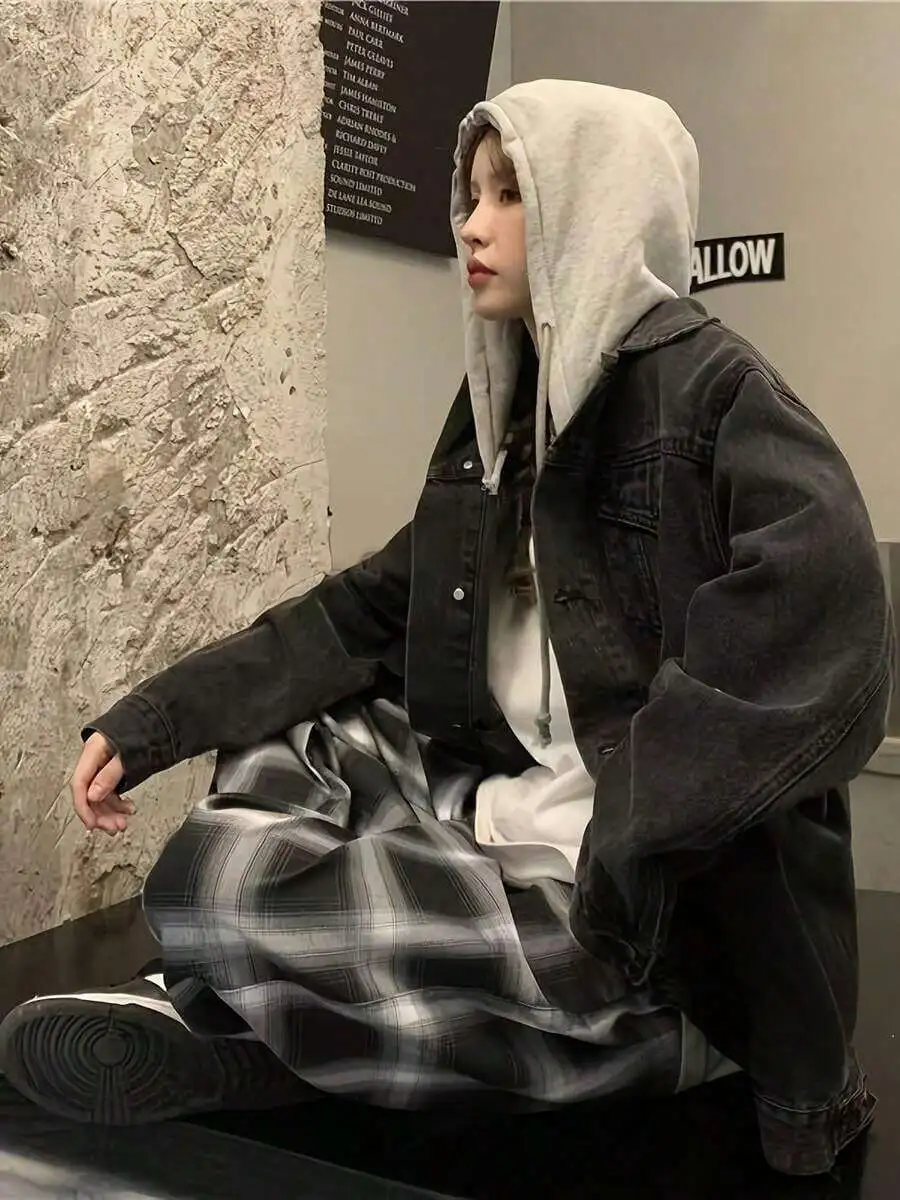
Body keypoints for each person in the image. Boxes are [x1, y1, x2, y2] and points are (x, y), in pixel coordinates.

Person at [0, 80, 892, 1177]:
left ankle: (233, 1018)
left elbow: (827, 623)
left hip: (634, 925)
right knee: (286, 757)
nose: (472, 224)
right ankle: (341, 1019)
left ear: (600, 207)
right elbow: (362, 612)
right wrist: (151, 723)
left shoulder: (718, 397)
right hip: (494, 829)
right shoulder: (500, 422)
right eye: (472, 195)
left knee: (217, 891)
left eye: (511, 195)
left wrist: (627, 843)